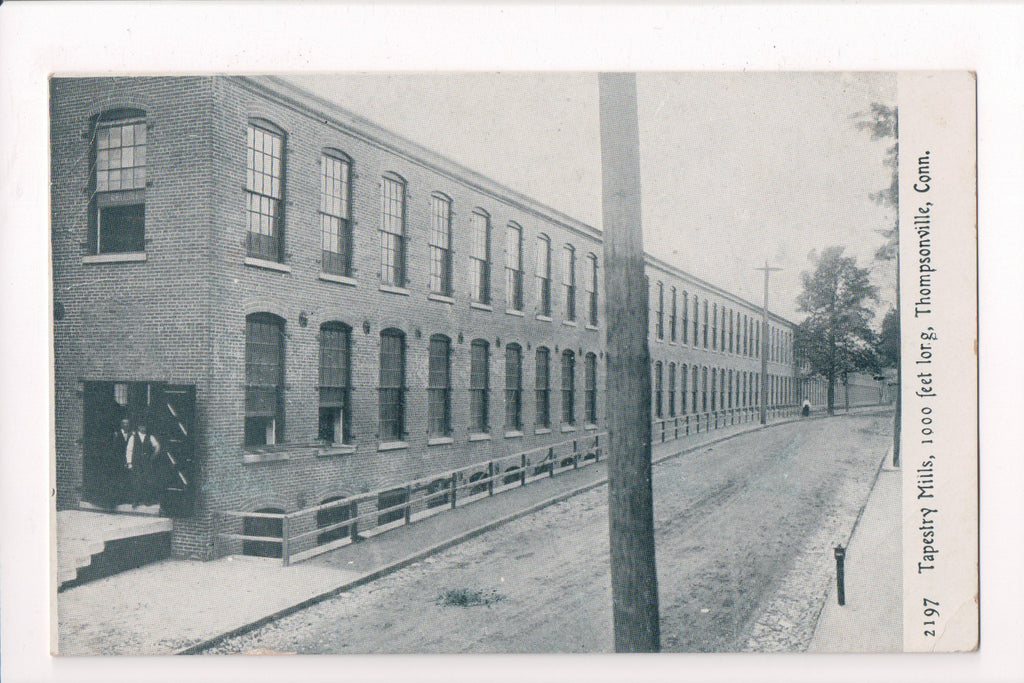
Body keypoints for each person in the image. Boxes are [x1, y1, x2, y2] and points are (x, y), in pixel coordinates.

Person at [126, 422, 161, 507]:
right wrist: (129, 463)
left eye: (144, 426)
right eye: (141, 426)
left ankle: (146, 500)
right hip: (136, 462)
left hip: (146, 463)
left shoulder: (150, 437)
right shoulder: (133, 437)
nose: (143, 428)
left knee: (147, 480)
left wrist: (152, 457)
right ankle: (135, 501)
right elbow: (129, 450)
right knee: (136, 481)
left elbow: (157, 447)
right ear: (138, 427)